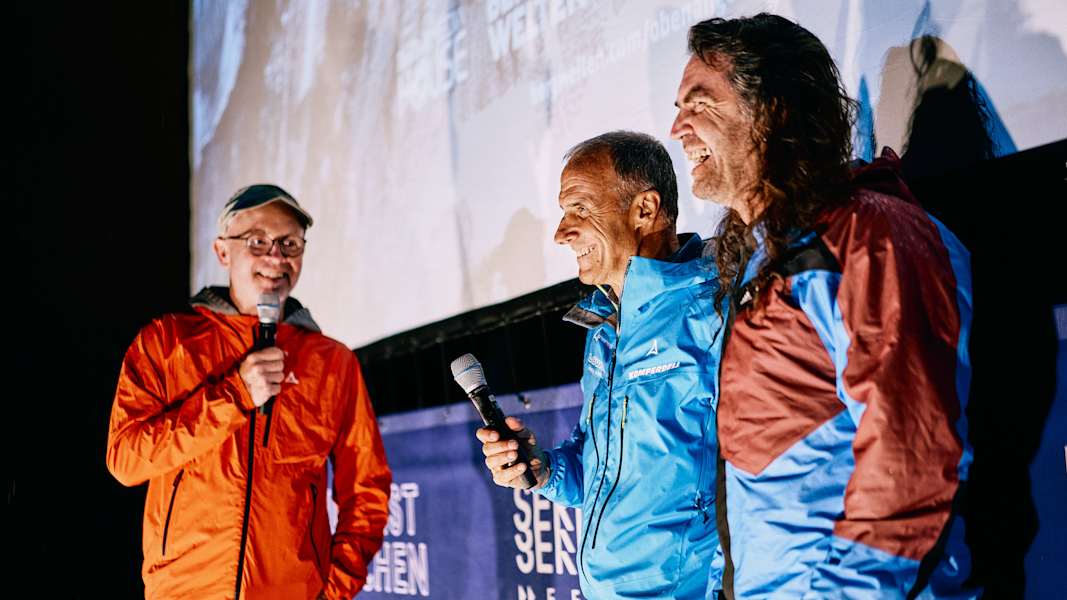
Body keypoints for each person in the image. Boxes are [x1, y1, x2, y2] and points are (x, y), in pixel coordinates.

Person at [670, 14, 978, 599]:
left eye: (700, 103)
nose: (677, 126)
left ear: (774, 110)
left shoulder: (867, 235)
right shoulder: (773, 254)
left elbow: (909, 457)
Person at [106, 184, 391, 599]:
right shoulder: (165, 341)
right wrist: (234, 394)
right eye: (257, 241)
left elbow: (367, 489)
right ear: (223, 251)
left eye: (289, 243)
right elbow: (126, 460)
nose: (276, 257)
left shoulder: (332, 362)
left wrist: (333, 592)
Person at [477, 131, 726, 599]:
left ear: (645, 210)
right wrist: (544, 469)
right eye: (563, 212)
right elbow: (599, 472)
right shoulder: (604, 324)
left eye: (581, 210)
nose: (561, 232)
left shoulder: (714, 304)